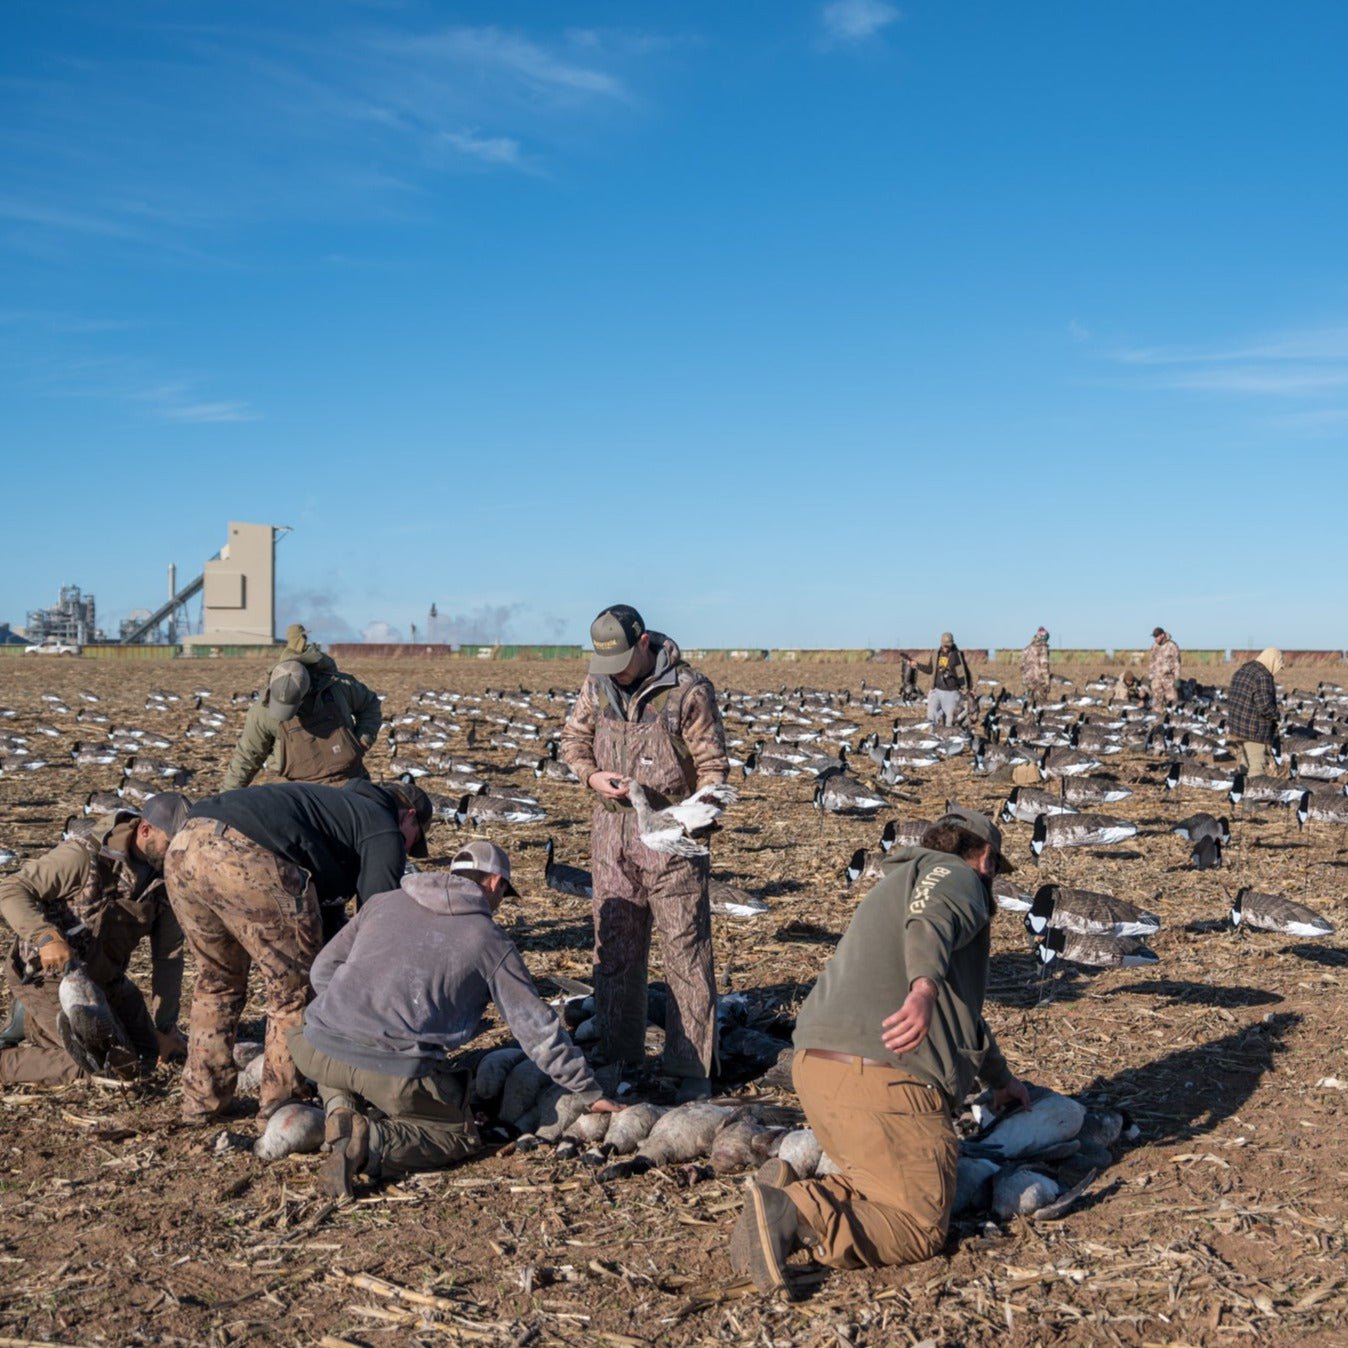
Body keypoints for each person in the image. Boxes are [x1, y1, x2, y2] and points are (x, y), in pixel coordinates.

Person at [730, 806, 1030, 1295]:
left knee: (881, 1189)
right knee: (919, 1226)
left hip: (818, 1068)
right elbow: (933, 922)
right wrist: (923, 989)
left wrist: (1001, 1080)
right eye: (994, 870)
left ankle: (788, 1192)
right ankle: (797, 1211)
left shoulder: (895, 887)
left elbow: (965, 1017)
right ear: (987, 860)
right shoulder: (957, 878)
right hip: (884, 1077)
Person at [288, 840, 620, 1197]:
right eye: (503, 894)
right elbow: (535, 1028)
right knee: (456, 1137)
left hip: (313, 1048)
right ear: (495, 883)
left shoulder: (383, 901)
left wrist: (352, 1012)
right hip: (391, 1072)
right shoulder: (489, 940)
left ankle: (340, 1110)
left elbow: (322, 970)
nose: (498, 906)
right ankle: (368, 1141)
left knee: (337, 1059)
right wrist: (585, 1088)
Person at [163, 778, 431, 1124]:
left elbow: (330, 916)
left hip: (186, 845)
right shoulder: (382, 827)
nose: (407, 850)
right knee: (293, 992)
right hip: (247, 857)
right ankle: (283, 1105)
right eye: (414, 839)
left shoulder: (332, 811)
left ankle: (201, 1100)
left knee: (218, 981)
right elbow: (377, 921)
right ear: (408, 815)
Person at [558, 604, 729, 1102]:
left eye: (622, 661)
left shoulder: (688, 691)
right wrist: (591, 777)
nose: (615, 673)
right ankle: (616, 1055)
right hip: (610, 837)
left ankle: (690, 1068)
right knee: (614, 951)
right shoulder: (597, 686)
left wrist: (694, 818)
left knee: (686, 952)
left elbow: (714, 769)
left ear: (644, 641)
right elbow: (573, 741)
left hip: (671, 841)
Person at [0, 794, 191, 1085]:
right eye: (172, 843)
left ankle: (35, 1023)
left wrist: (165, 1028)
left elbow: (168, 957)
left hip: (105, 980)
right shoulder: (84, 856)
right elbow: (11, 889)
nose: (179, 853)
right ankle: (11, 1056)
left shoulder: (168, 881)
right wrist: (45, 936)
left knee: (147, 1055)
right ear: (144, 830)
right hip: (49, 976)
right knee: (99, 1066)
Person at [222, 624, 382, 791]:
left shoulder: (338, 687)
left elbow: (370, 704)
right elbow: (247, 756)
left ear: (306, 693)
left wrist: (362, 741)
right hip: (295, 793)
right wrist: (223, 800)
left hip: (348, 782)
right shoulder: (262, 711)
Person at [1227, 648, 1284, 777]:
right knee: (1257, 766)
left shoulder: (1242, 670)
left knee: (1245, 763)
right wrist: (1277, 716)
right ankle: (1252, 795)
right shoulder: (1263, 676)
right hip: (1253, 730)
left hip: (1237, 727)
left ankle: (1239, 789)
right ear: (1273, 661)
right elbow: (1264, 706)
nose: (1277, 671)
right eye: (1278, 666)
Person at [906, 632, 974, 727]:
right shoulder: (936, 654)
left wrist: (969, 689)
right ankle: (932, 737)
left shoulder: (957, 656)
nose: (946, 647)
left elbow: (964, 673)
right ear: (941, 643)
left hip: (951, 693)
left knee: (950, 722)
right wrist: (917, 665)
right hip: (936, 691)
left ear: (952, 643)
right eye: (944, 645)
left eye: (948, 645)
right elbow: (930, 670)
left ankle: (948, 740)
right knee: (930, 718)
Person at [1149, 627, 1181, 711]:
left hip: (1169, 679)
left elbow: (1177, 663)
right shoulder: (1154, 647)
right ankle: (1158, 720)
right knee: (1157, 703)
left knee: (1172, 702)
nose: (1155, 639)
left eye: (1157, 636)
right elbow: (1152, 662)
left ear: (1162, 635)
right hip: (1157, 679)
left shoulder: (1172, 646)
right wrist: (1151, 677)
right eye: (1154, 637)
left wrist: (1177, 679)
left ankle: (1172, 720)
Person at [1020, 627, 1051, 704]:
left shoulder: (1027, 648)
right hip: (1040, 682)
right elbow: (1044, 666)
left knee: (1030, 705)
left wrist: (1025, 679)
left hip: (1028, 681)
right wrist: (1047, 683)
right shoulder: (1043, 648)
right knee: (1041, 705)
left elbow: (1021, 666)